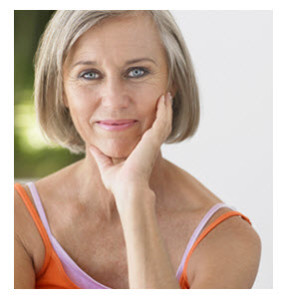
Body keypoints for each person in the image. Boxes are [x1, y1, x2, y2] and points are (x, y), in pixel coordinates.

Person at [14, 10, 261, 289]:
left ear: (173, 82)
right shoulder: (15, 217)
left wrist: (133, 197)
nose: (115, 101)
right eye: (89, 74)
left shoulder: (227, 241)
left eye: (137, 71)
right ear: (61, 90)